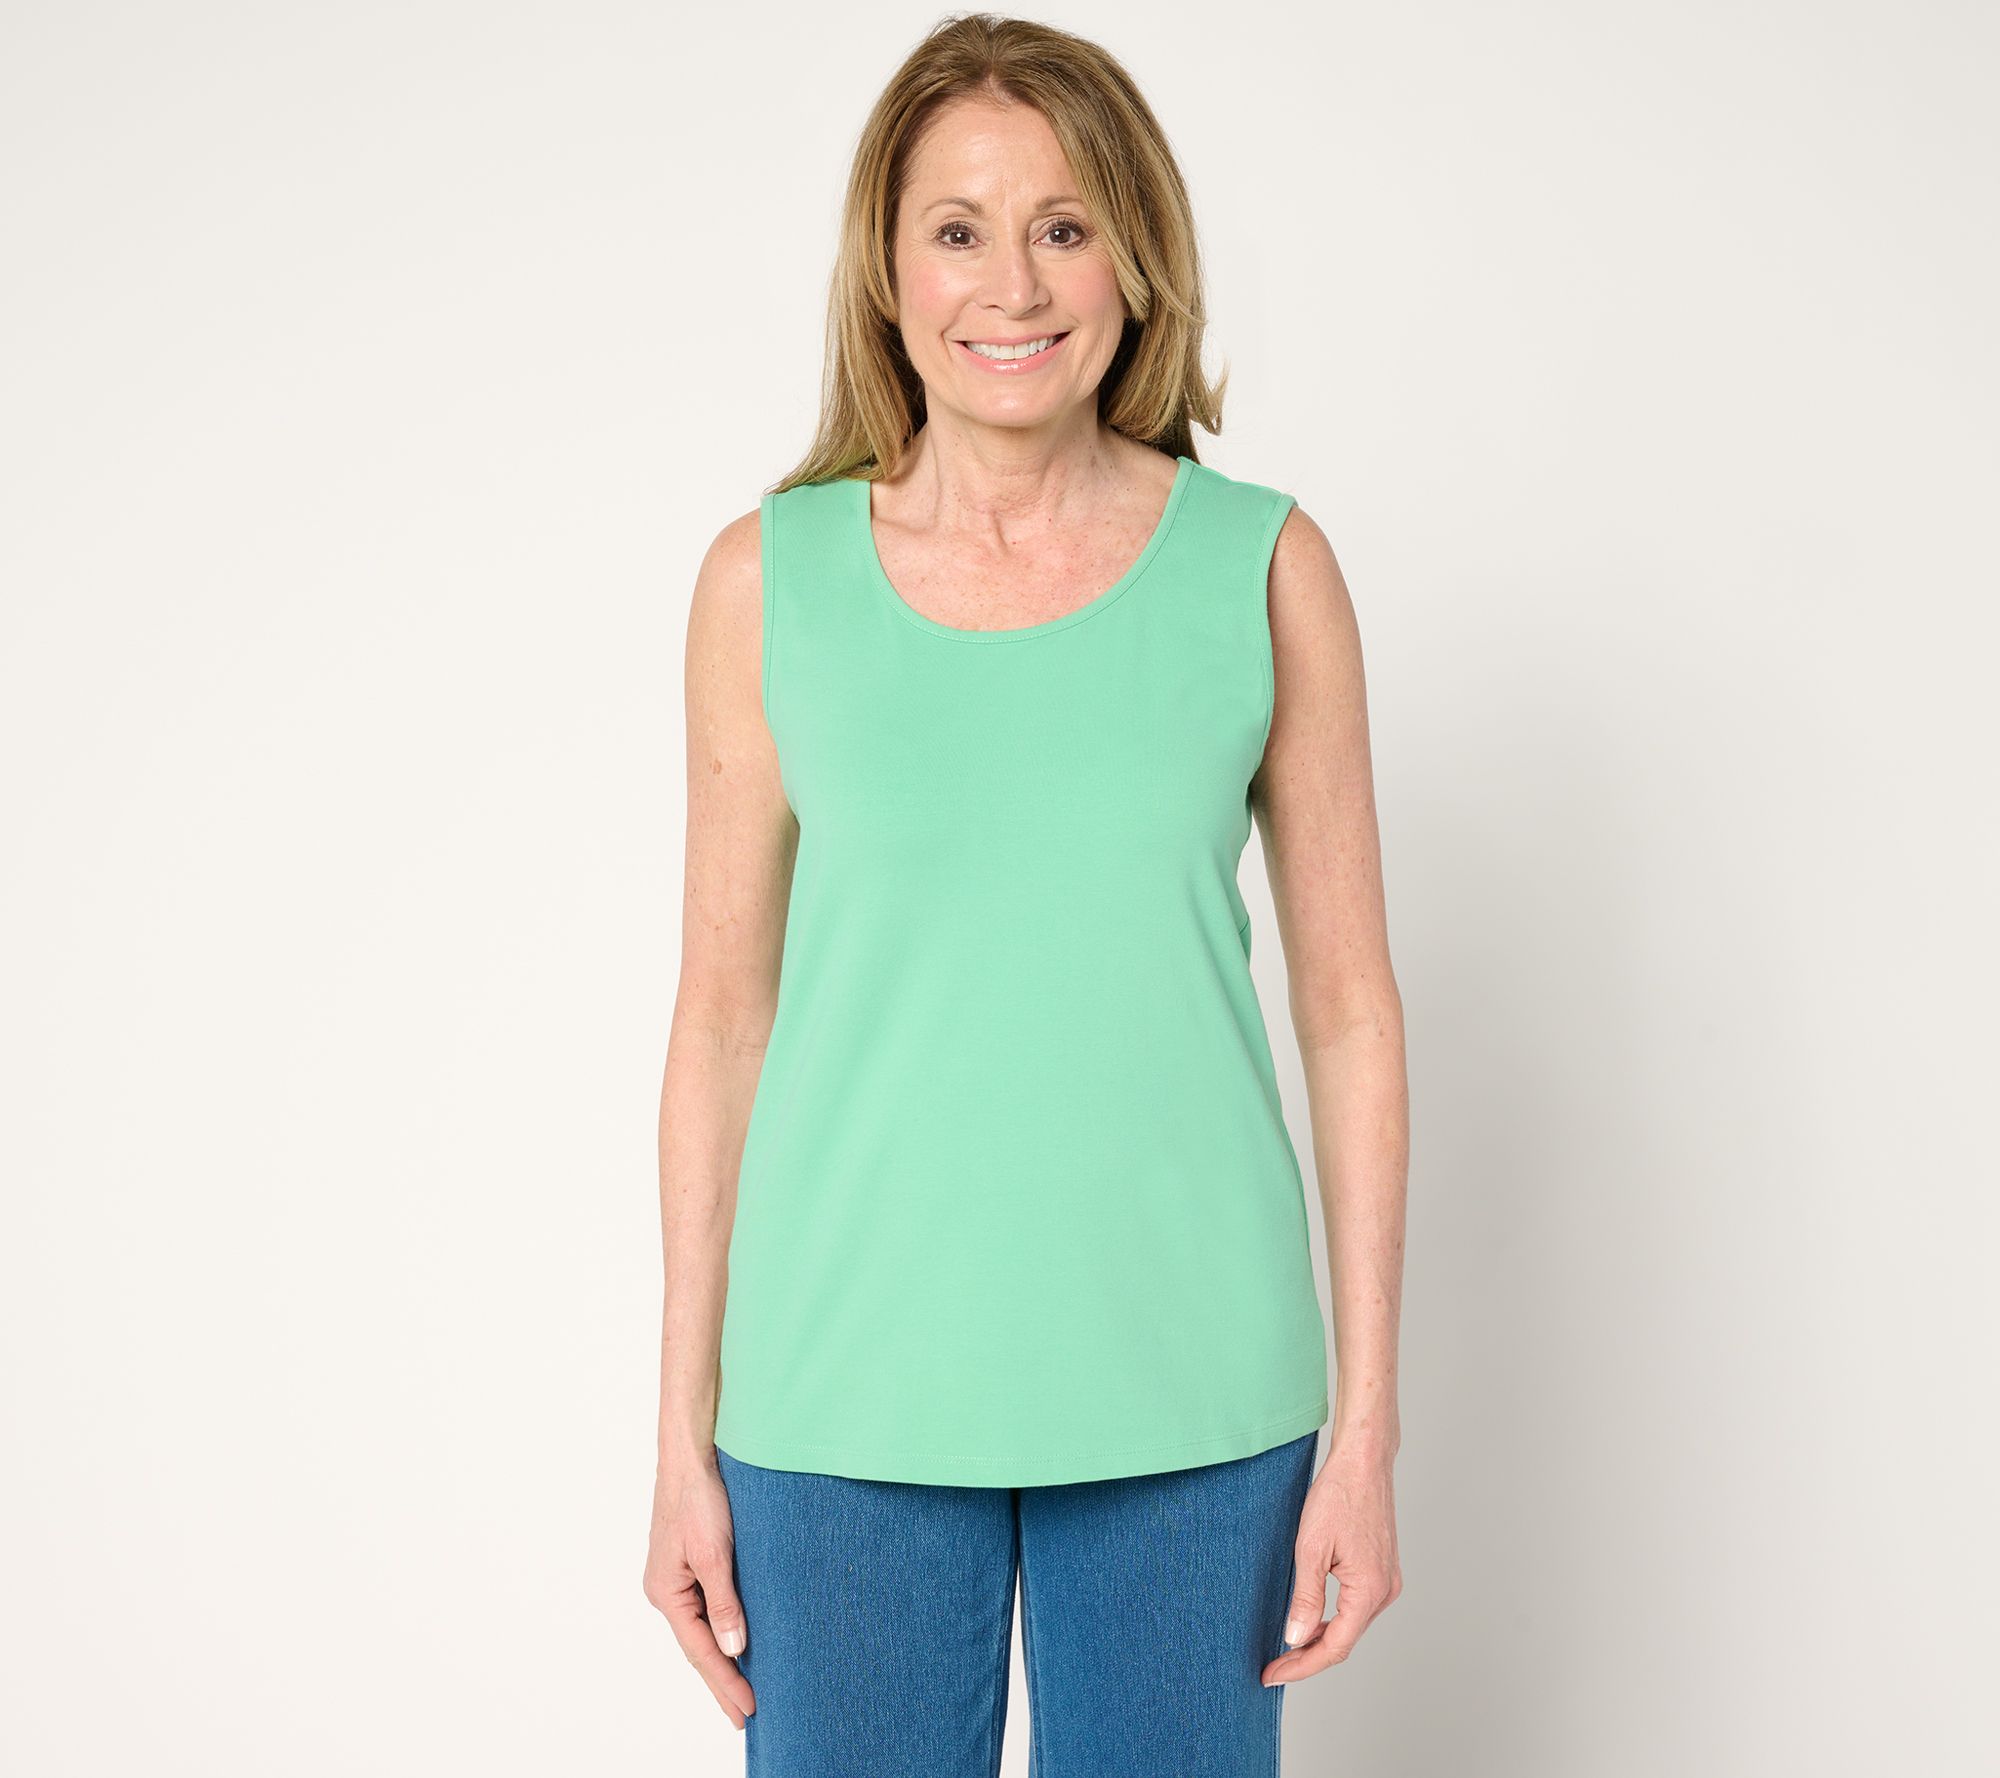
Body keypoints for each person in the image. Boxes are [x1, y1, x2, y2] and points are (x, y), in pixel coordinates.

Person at [644, 15, 1407, 1774]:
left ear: (1137, 258)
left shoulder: (1264, 569)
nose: (1013, 283)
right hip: (838, 1402)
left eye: (1065, 225)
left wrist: (1368, 1425)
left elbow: (1353, 1013)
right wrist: (679, 1426)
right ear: (888, 268)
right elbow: (721, 1021)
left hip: (1196, 1396)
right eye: (959, 229)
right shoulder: (767, 583)